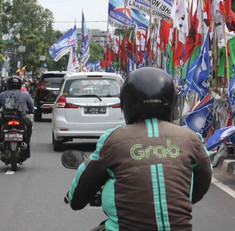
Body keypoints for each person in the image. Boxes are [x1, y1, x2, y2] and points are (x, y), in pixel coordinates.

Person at [67, 67, 212, 231]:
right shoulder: (192, 139)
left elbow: (79, 194)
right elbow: (203, 181)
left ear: (127, 102)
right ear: (172, 102)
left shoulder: (113, 140)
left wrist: (73, 199)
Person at [0, 75, 34, 156]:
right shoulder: (25, 94)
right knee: (29, 125)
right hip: (21, 119)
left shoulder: (2, 95)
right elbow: (31, 108)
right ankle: (27, 143)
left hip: (5, 119)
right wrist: (30, 111)